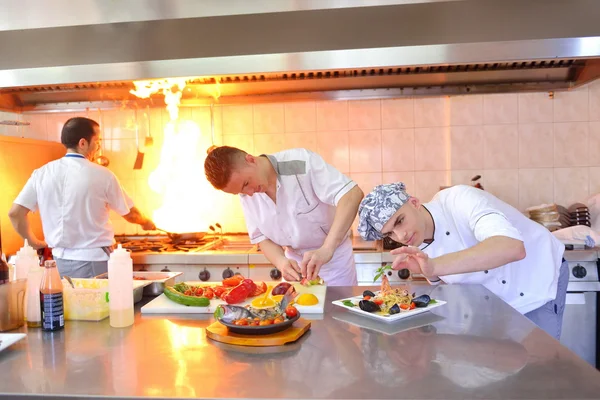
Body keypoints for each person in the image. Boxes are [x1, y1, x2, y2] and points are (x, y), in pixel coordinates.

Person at [357, 182, 568, 339]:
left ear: (414, 202)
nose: (400, 236)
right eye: (390, 234)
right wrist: (431, 274)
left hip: (534, 277)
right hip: (492, 300)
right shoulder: (417, 239)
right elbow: (449, 278)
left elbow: (511, 247)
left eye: (400, 221)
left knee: (539, 374)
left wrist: (435, 265)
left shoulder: (459, 199)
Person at [8, 117, 156, 278]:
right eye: (97, 141)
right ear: (83, 143)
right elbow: (131, 214)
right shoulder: (103, 175)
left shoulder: (42, 173)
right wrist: (146, 222)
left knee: (70, 302)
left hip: (58, 262)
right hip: (94, 262)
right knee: (97, 302)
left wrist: (32, 242)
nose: (99, 146)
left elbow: (15, 213)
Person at [204, 146, 363, 286]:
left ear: (251, 160)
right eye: (240, 191)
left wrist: (327, 248)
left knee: (338, 317)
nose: (249, 193)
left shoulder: (301, 162)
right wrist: (281, 263)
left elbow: (351, 194)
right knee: (297, 318)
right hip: (295, 270)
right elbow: (261, 238)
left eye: (246, 184)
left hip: (334, 261)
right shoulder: (247, 194)